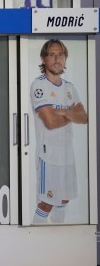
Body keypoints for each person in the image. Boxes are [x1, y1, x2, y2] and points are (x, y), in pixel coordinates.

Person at [30, 39, 88, 223]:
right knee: (47, 202)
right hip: (49, 156)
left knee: (63, 200)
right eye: (52, 55)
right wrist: (71, 113)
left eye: (61, 55)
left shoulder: (70, 88)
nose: (57, 59)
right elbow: (51, 122)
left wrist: (64, 112)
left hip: (67, 154)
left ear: (65, 58)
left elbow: (84, 118)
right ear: (43, 58)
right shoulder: (39, 86)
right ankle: (35, 241)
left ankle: (57, 241)